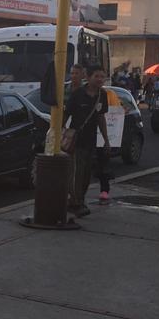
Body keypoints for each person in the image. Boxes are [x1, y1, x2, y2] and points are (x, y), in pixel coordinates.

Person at [64, 65, 110, 217]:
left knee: (85, 174)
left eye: (102, 77)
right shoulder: (78, 94)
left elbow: (101, 117)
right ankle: (75, 202)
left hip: (91, 140)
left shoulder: (102, 95)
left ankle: (79, 200)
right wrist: (61, 134)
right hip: (76, 140)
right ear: (88, 77)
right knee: (76, 172)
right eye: (96, 76)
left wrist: (106, 139)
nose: (100, 79)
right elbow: (65, 115)